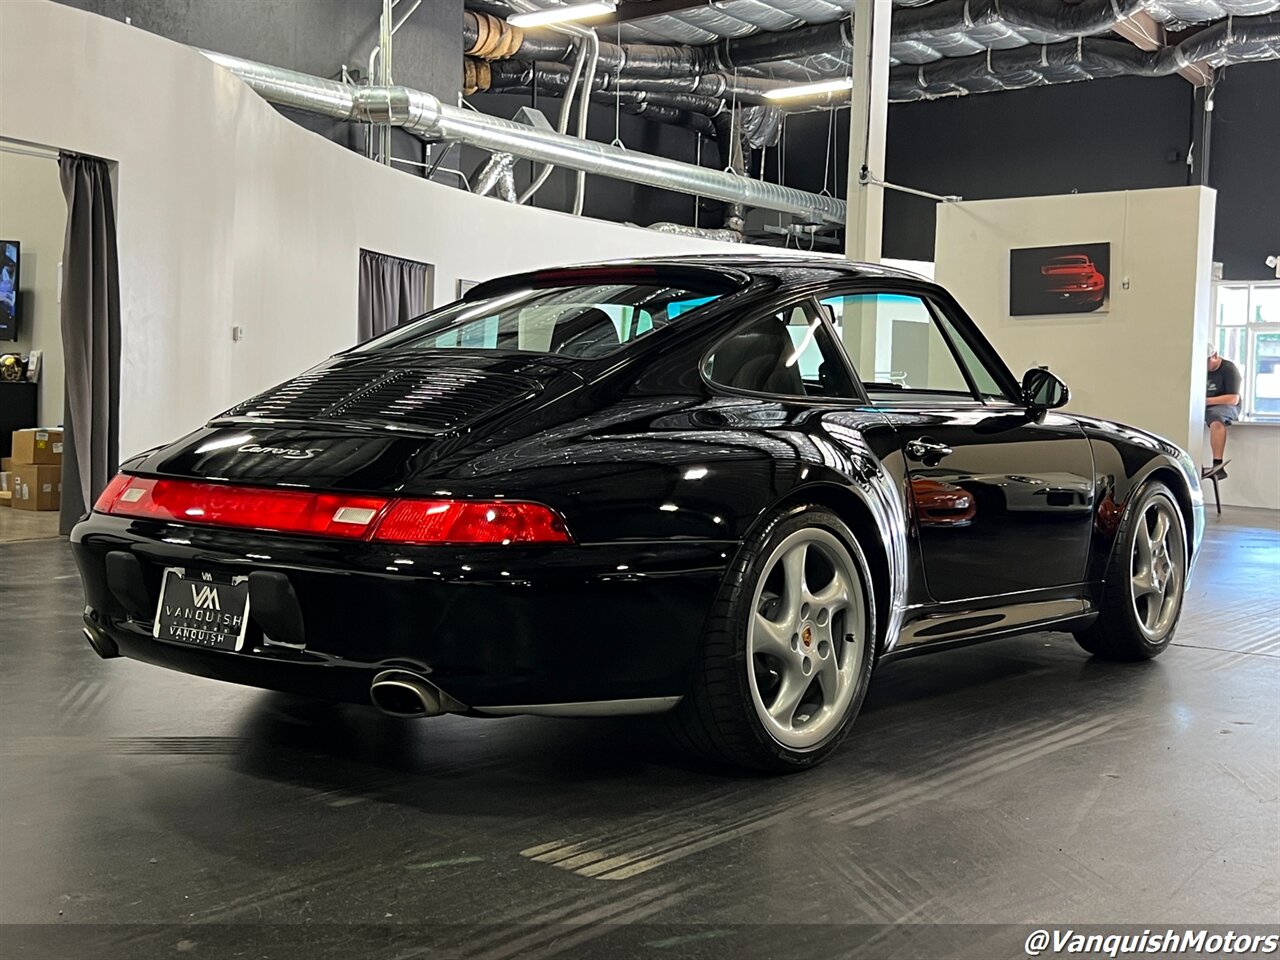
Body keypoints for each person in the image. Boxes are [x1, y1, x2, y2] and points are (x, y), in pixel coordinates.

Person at [1204, 343, 1242, 479]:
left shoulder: (1229, 369)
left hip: (1227, 406)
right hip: (1206, 406)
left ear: (1214, 356)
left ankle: (1218, 464)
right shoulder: (1199, 369)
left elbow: (1233, 399)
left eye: (1206, 361)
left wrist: (1206, 401)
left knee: (1216, 418)